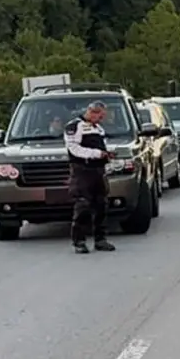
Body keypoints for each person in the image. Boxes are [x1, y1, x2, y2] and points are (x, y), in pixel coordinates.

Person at [64, 100, 116, 253]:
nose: (101, 120)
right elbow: (74, 149)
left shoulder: (98, 129)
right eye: (100, 116)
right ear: (92, 112)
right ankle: (79, 241)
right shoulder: (74, 126)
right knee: (83, 205)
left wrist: (107, 155)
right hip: (82, 171)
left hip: (98, 171)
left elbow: (102, 147)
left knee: (101, 205)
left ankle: (101, 239)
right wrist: (96, 154)